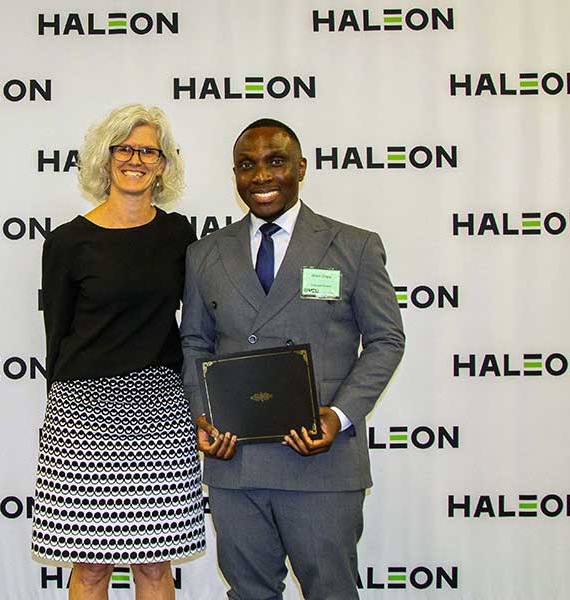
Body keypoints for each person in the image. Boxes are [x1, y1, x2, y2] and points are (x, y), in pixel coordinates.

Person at [180, 118, 405, 600]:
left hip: (320, 461)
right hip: (235, 462)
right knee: (249, 593)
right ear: (234, 175)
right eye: (246, 165)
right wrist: (205, 416)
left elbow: (386, 340)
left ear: (301, 168)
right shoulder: (204, 254)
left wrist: (338, 417)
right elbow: (195, 344)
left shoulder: (354, 246)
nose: (261, 176)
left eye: (275, 161)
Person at [31, 104, 205, 600]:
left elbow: (192, 322)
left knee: (154, 569)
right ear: (104, 160)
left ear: (163, 165)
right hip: (83, 416)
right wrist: (67, 408)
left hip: (160, 412)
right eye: (124, 149)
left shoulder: (178, 235)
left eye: (147, 150)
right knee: (89, 571)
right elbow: (57, 332)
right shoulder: (67, 242)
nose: (135, 159)